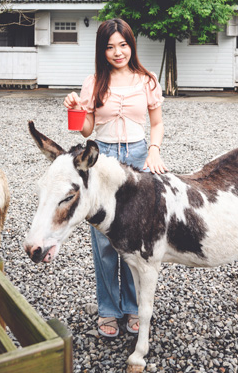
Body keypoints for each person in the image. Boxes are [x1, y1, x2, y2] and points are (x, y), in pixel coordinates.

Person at [63, 17, 168, 338]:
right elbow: (85, 130)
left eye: (122, 44)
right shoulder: (93, 82)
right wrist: (76, 107)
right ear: (102, 50)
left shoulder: (147, 80)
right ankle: (109, 309)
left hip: (138, 159)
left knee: (136, 240)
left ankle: (133, 307)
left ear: (131, 44)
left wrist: (154, 150)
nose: (117, 51)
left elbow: (157, 123)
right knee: (104, 241)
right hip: (103, 160)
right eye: (110, 47)